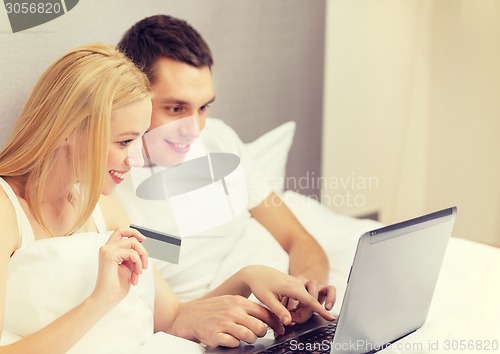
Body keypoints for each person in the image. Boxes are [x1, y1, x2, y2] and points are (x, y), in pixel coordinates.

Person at [0, 43, 335, 353]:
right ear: (69, 130)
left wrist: (248, 277)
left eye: (137, 140)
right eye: (123, 142)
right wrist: (98, 302)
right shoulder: (7, 210)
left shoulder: (104, 210)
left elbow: (174, 316)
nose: (133, 161)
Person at [116, 14, 334, 319]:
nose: (194, 130)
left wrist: (305, 286)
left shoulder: (220, 140)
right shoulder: (111, 188)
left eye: (203, 107)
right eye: (175, 108)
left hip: (276, 314)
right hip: (213, 324)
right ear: (131, 95)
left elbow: (297, 238)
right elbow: (161, 315)